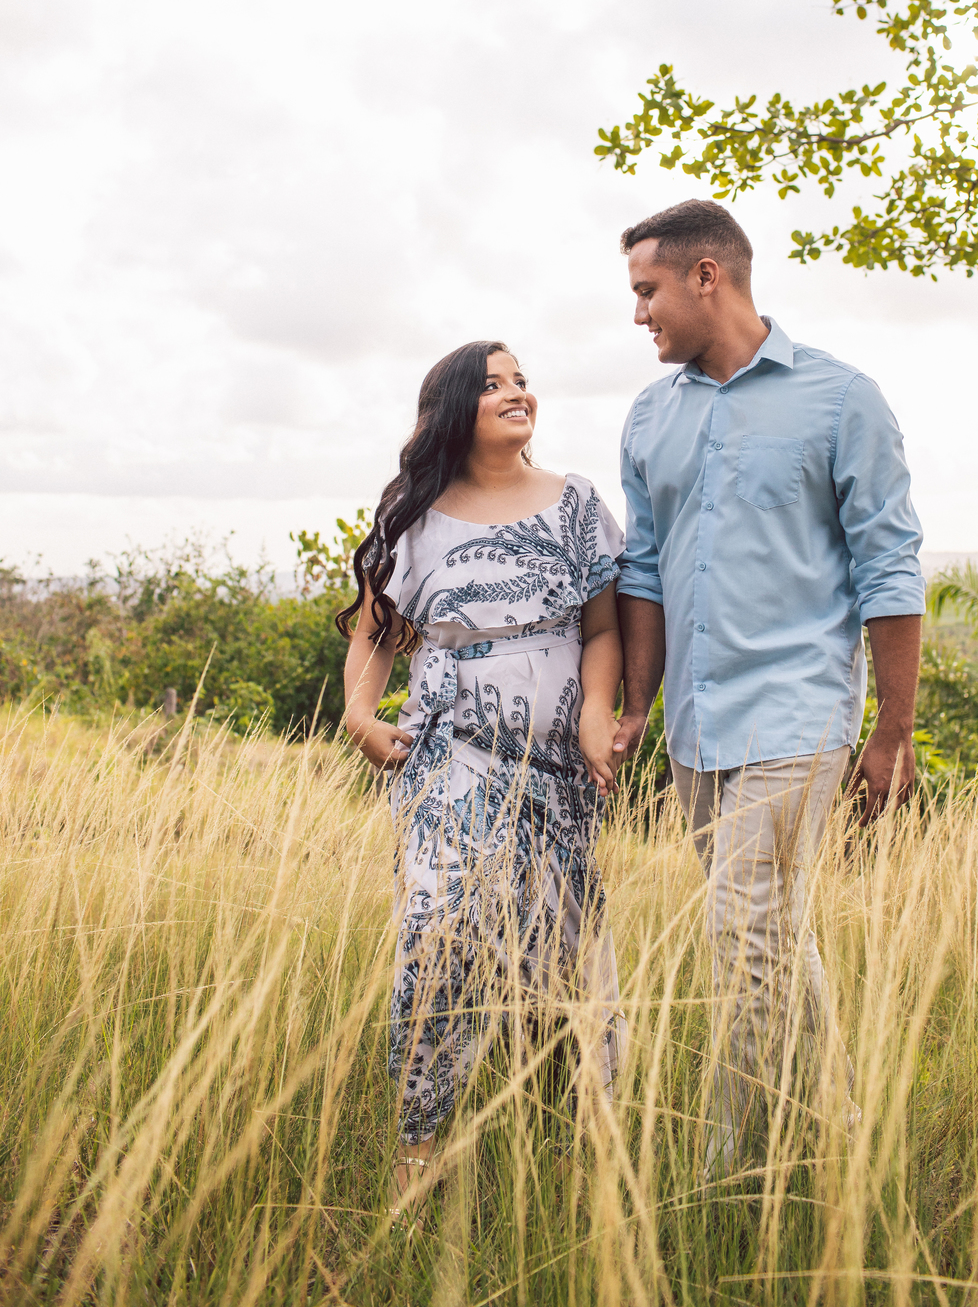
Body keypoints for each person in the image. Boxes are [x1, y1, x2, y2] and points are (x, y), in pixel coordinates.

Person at [608, 199, 925, 1169]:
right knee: (774, 933)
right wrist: (637, 710)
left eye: (647, 291)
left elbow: (891, 569)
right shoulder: (651, 415)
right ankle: (841, 1140)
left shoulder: (841, 399)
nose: (638, 316)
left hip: (798, 713)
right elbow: (646, 574)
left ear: (711, 277)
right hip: (699, 728)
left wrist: (892, 732)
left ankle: (725, 1175)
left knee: (742, 933)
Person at [339, 340, 627, 1217]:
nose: (517, 394)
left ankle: (583, 1159)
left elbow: (604, 624)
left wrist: (592, 716)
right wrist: (358, 716)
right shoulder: (416, 515)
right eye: (494, 384)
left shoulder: (576, 503)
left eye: (523, 381)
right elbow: (376, 628)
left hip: (556, 775)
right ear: (454, 407)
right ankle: (418, 1156)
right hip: (446, 761)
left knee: (563, 958)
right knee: (439, 943)